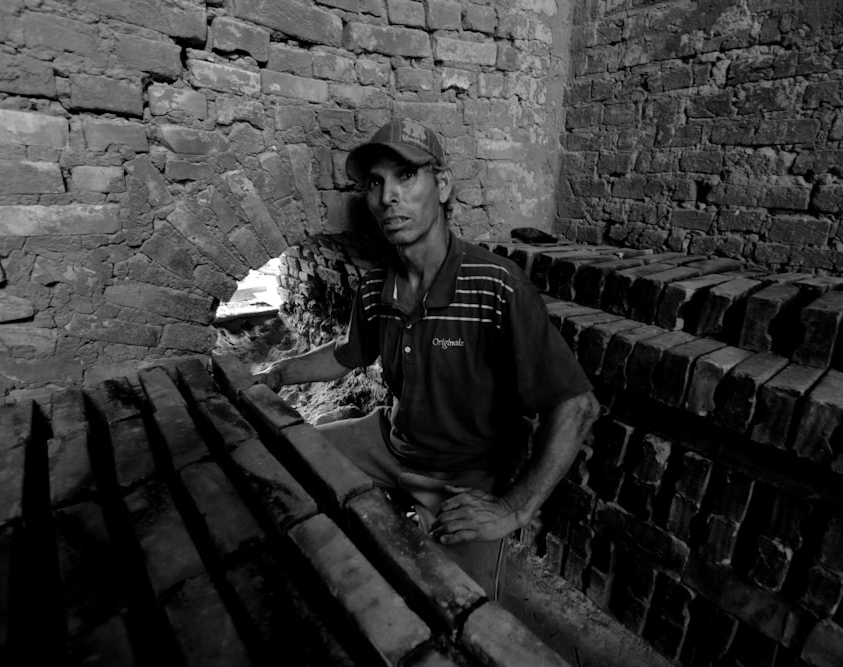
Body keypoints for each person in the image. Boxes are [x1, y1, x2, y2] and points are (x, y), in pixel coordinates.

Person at [254, 117, 599, 599]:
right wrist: (275, 373)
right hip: (389, 442)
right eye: (376, 182)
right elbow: (344, 354)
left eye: (406, 175)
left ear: (442, 186)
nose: (388, 196)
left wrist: (514, 508)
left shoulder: (497, 286)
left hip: (460, 473)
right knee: (287, 466)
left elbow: (577, 405)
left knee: (456, 605)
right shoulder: (376, 287)